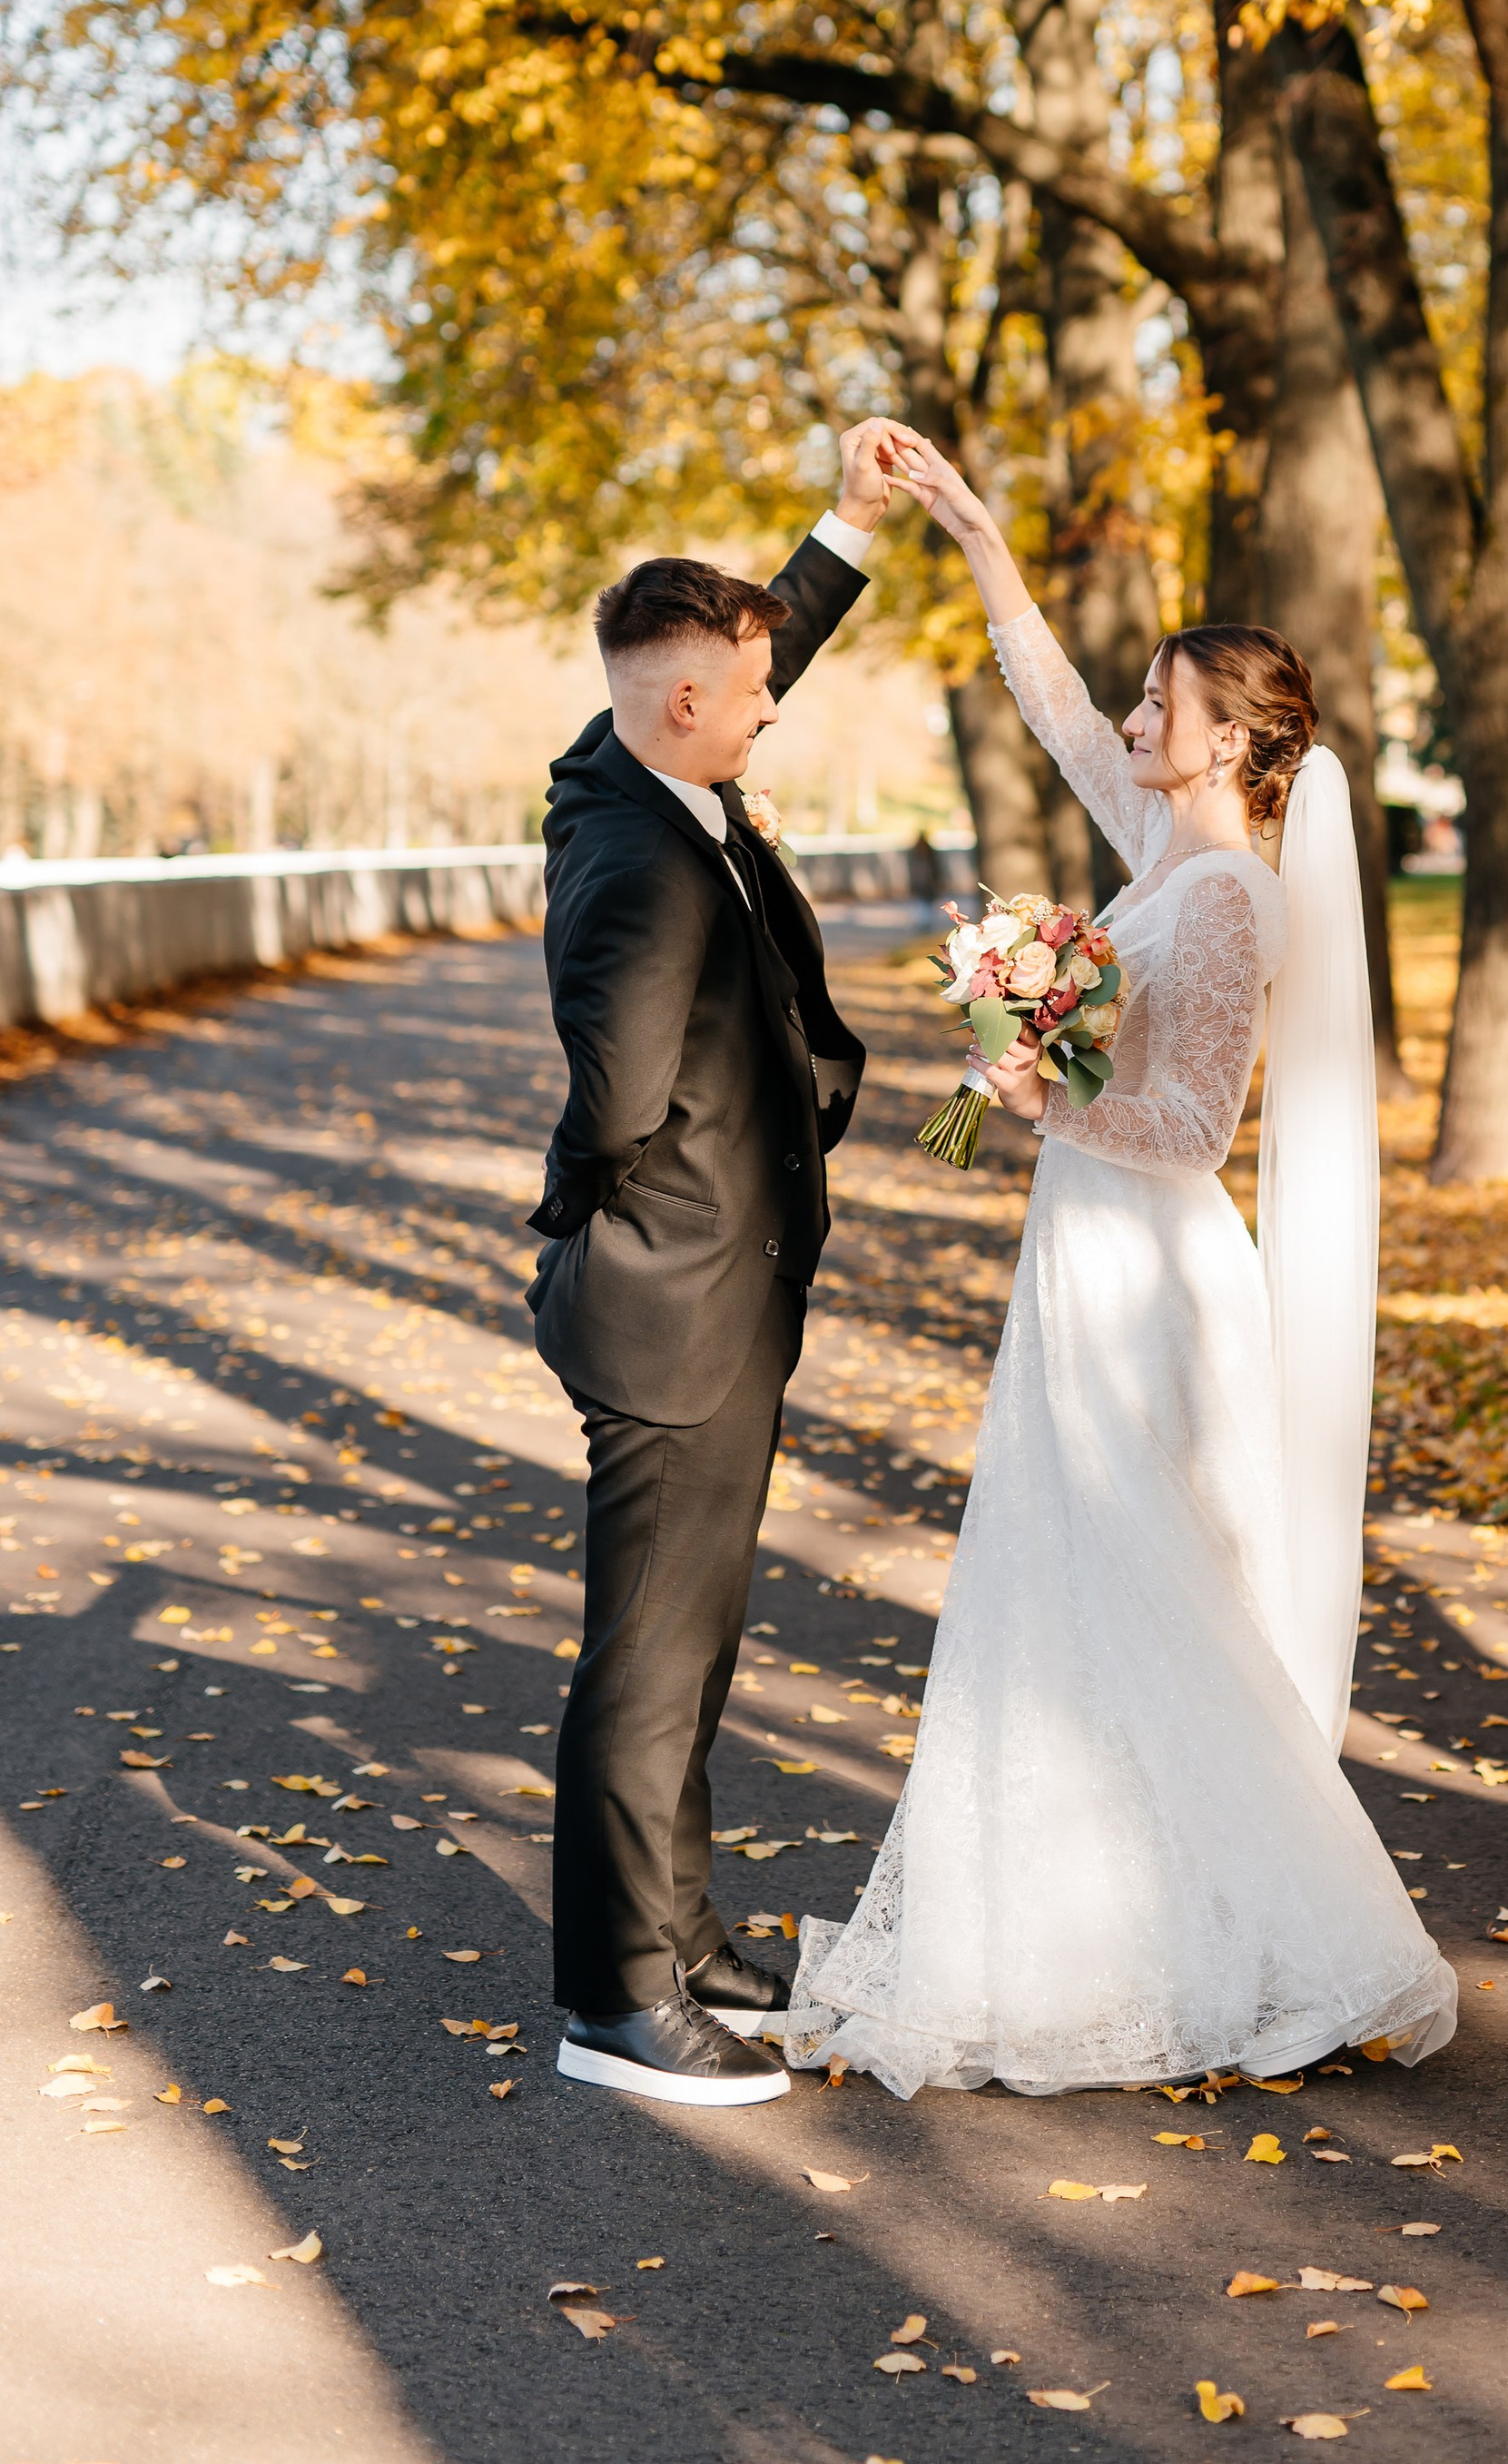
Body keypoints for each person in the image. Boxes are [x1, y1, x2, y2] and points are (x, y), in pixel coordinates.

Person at [784, 441, 1456, 2094]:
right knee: (1058, 1592)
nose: (1138, 727)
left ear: (1231, 739)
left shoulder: (1227, 900)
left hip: (1151, 1276)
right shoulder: (1161, 854)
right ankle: (1084, 1929)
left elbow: (1187, 1129)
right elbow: (1058, 710)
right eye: (1145, 709)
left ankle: (1282, 1939)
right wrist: (974, 530)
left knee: (1156, 1597)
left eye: (1164, 710)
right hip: (1080, 1257)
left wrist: (1035, 1091)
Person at [528, 416, 910, 2108]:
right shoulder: (632, 856)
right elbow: (608, 1099)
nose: (773, 713)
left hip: (722, 1295)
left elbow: (758, 650)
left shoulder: (657, 763)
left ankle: (683, 1938)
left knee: (700, 1642)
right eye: (752, 692)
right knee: (648, 1656)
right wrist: (582, 1219)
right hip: (669, 1305)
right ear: (688, 703)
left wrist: (843, 530)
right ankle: (618, 1999)